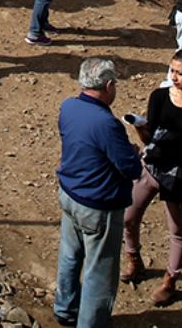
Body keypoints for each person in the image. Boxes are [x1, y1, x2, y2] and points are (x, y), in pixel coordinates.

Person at [54, 58, 143, 328]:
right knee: (99, 273)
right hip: (97, 205)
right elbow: (130, 168)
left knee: (69, 256)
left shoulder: (68, 107)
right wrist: (134, 153)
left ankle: (64, 309)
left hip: (70, 193)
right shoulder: (107, 123)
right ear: (108, 85)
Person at [122, 50, 182, 307]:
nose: (174, 77)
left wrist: (163, 140)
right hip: (149, 167)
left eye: (180, 73)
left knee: (177, 230)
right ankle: (134, 259)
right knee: (128, 217)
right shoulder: (159, 96)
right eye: (172, 71)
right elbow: (150, 140)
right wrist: (143, 130)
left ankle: (170, 280)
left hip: (177, 175)